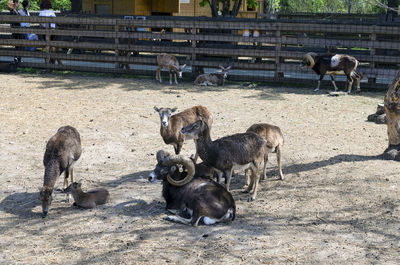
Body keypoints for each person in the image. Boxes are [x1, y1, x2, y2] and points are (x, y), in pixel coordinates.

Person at [39, 0, 62, 64]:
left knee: (46, 46)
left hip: (44, 32)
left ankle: (47, 61)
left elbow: (40, 24)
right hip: (52, 31)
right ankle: (54, 61)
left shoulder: (41, 13)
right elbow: (55, 21)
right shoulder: (52, 12)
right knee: (53, 46)